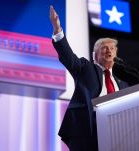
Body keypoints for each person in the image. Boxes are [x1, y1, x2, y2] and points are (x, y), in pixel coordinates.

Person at [49, 5, 129, 151]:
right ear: (95, 54)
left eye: (112, 48)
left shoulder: (123, 84)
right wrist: (57, 30)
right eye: (104, 47)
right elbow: (69, 58)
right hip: (87, 129)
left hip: (116, 132)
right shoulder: (87, 68)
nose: (109, 50)